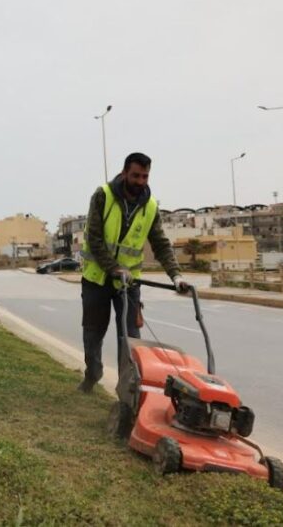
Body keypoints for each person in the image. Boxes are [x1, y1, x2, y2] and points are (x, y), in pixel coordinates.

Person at [77, 152, 189, 393]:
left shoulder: (150, 207)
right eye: (136, 175)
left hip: (129, 284)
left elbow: (160, 243)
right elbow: (94, 240)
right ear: (125, 173)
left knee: (130, 338)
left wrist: (176, 276)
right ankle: (92, 374)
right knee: (93, 332)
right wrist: (115, 268)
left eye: (145, 177)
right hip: (97, 279)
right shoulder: (102, 196)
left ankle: (126, 393)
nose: (140, 181)